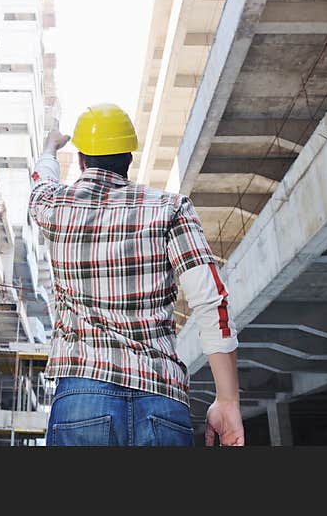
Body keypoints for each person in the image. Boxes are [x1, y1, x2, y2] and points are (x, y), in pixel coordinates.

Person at [29, 103, 243, 446]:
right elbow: (210, 302)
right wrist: (228, 401)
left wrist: (51, 147)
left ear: (82, 161)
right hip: (161, 399)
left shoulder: (54, 207)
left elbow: (41, 181)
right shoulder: (171, 208)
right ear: (129, 158)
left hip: (81, 400)